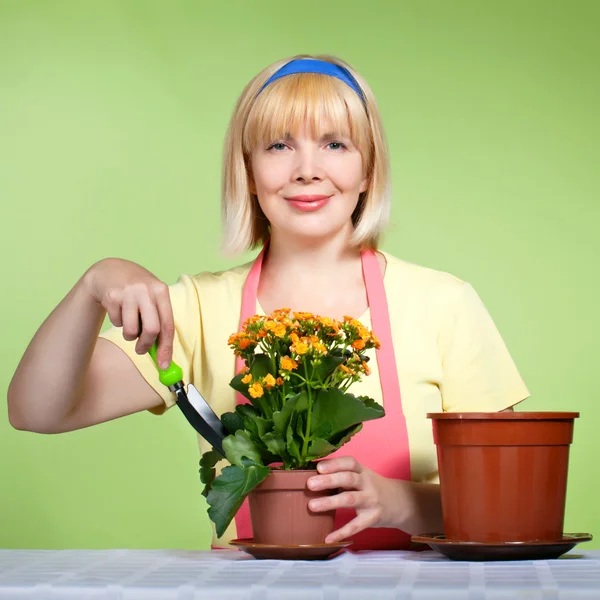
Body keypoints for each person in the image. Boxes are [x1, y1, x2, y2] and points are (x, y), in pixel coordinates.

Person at [7, 54, 530, 551]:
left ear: (369, 169)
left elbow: (512, 503)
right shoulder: (196, 310)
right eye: (279, 146)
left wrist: (401, 503)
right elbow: (35, 410)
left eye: (335, 144)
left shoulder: (445, 305)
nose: (306, 169)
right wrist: (93, 284)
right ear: (249, 170)